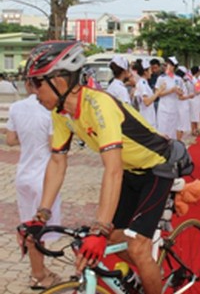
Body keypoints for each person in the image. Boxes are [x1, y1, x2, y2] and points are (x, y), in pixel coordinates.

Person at [19, 41, 185, 294]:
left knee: (136, 248)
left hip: (158, 168)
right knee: (114, 239)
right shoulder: (61, 113)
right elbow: (57, 161)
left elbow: (112, 170)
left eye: (37, 83)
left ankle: (149, 270)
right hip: (131, 170)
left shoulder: (99, 105)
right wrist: (41, 216)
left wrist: (99, 227)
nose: (33, 92)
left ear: (59, 81)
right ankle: (149, 269)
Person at [7, 79, 62, 290]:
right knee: (38, 230)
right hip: (44, 176)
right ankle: (37, 274)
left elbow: (11, 139)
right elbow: (52, 144)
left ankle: (39, 269)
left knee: (30, 226)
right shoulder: (50, 110)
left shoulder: (16, 107)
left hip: (24, 174)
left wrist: (29, 138)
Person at [155, 56, 183, 138]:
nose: (167, 67)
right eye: (166, 65)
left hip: (174, 107)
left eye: (170, 65)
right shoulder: (161, 78)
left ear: (174, 67)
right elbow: (158, 93)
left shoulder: (178, 79)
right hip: (163, 108)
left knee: (172, 129)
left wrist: (179, 92)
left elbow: (181, 93)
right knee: (163, 129)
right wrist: (170, 91)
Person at [134, 59, 165, 129]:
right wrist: (158, 92)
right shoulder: (142, 84)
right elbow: (147, 102)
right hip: (146, 118)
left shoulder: (144, 83)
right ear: (145, 72)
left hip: (149, 117)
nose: (151, 72)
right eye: (150, 70)